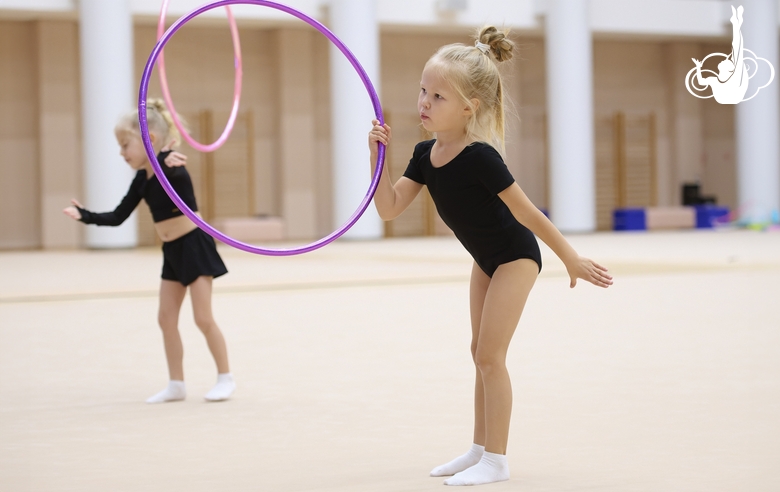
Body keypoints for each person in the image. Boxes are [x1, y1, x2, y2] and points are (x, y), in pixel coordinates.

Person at [368, 27, 613, 486]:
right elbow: (387, 209)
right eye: (424, 90)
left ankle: (496, 461)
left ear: (469, 107)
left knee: (490, 356)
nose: (424, 101)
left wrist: (571, 258)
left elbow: (529, 214)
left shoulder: (481, 157)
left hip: (515, 256)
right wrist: (377, 157)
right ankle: (479, 450)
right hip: (485, 258)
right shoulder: (424, 155)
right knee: (477, 353)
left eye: (438, 96)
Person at [63, 99, 236, 404]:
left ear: (150, 140)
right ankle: (176, 384)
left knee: (203, 318)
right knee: (166, 319)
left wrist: (168, 158)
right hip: (172, 251)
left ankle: (225, 378)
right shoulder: (141, 181)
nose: (121, 153)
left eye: (125, 144)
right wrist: (86, 215)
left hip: (195, 246)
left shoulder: (173, 169)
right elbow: (118, 217)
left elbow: (181, 183)